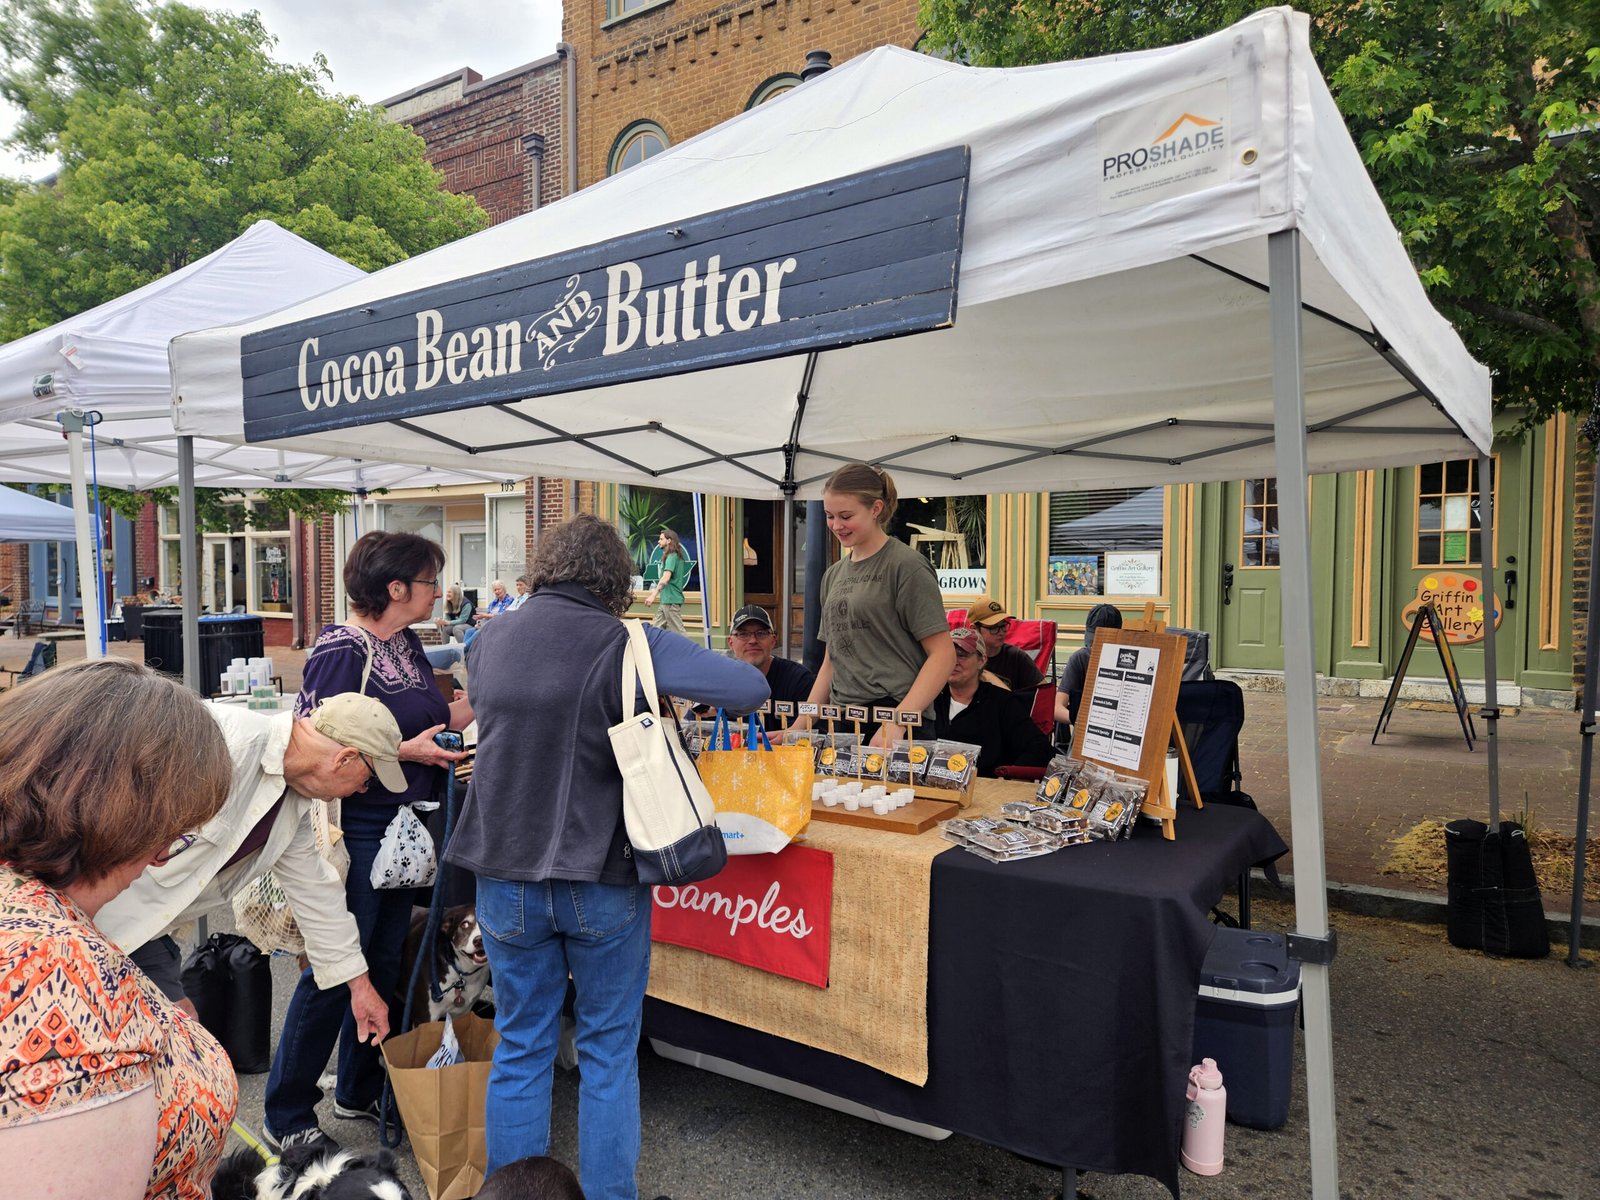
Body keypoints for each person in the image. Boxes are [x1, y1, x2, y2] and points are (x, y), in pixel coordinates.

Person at [448, 513, 767, 1200]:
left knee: (523, 1047)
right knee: (607, 1057)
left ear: (546, 567)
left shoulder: (489, 637)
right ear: (616, 579)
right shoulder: (632, 641)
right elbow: (750, 690)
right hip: (602, 874)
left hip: (504, 872)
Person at [263, 531, 472, 1153]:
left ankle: (357, 1086)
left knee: (382, 959)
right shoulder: (339, 648)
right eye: (431, 579)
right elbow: (313, 744)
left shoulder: (408, 642)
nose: (440, 590)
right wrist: (404, 751)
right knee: (336, 968)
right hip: (359, 826)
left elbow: (442, 715)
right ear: (396, 587)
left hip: (407, 823)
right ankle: (288, 1108)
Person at [0, 659, 237, 1200]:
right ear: (135, 819)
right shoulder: (54, 970)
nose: (161, 857)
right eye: (175, 833)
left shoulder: (28, 901)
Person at [98, 693, 404, 1049]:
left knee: (178, 1038)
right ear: (345, 758)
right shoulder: (224, 741)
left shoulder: (293, 803)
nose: (362, 791)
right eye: (367, 779)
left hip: (145, 930)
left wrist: (360, 987)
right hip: (83, 917)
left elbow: (317, 893)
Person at [791, 463, 955, 747]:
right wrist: (799, 726)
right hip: (842, 719)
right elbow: (833, 659)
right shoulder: (833, 574)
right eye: (829, 516)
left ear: (876, 508)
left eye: (846, 516)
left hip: (897, 718)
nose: (836, 525)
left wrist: (897, 723)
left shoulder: (906, 566)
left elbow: (943, 655)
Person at [934, 627, 1056, 777]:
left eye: (962, 655)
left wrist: (1008, 779)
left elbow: (1039, 749)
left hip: (983, 791)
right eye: (949, 655)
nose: (954, 662)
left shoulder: (1003, 703)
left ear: (982, 661)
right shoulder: (930, 699)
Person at [726, 604, 814, 731]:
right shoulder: (720, 681)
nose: (752, 640)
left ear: (773, 640)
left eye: (761, 633)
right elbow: (695, 724)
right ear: (731, 642)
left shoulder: (799, 680)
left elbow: (811, 734)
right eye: (743, 634)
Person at [1055, 602, 1125, 733]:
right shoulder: (1081, 658)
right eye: (1093, 642)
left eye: (1102, 641)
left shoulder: (1128, 658)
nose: (1094, 647)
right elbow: (1057, 708)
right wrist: (1084, 721)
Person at [966, 595, 1047, 693]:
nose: (1001, 632)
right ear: (974, 629)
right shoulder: (963, 657)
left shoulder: (1016, 656)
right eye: (994, 627)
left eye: (1004, 625)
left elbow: (1044, 693)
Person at [643, 528, 688, 635]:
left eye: (661, 539)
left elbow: (665, 578)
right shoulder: (671, 556)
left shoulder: (672, 557)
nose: (658, 541)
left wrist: (653, 595)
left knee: (679, 633)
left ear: (669, 541)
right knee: (656, 630)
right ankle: (652, 651)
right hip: (666, 599)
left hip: (670, 600)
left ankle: (691, 651)